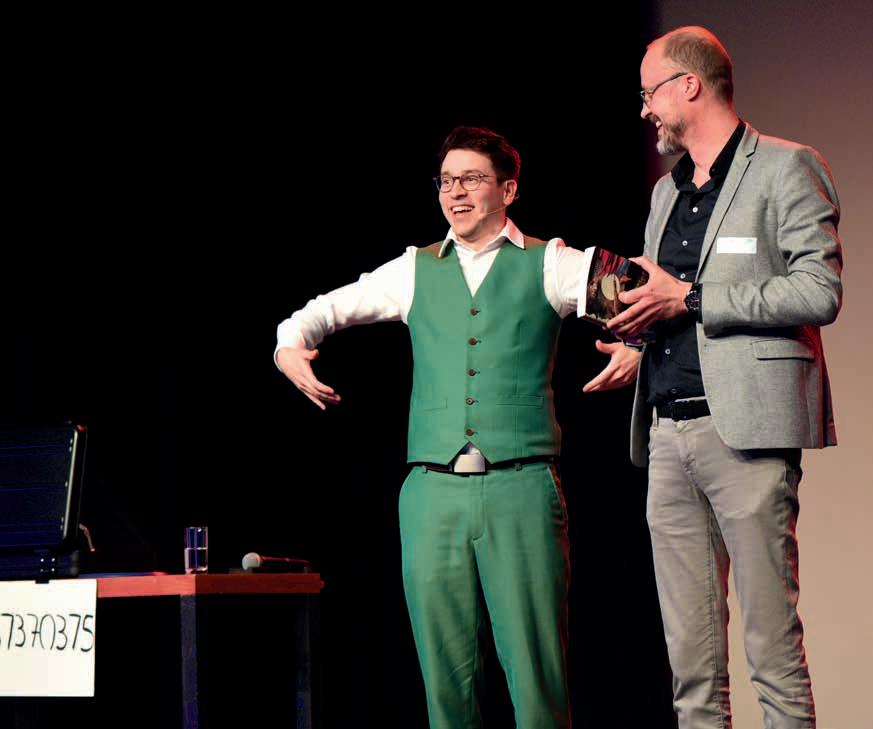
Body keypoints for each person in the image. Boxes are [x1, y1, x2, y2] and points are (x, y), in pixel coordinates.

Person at [275, 126, 592, 728]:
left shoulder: (549, 262)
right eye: (446, 181)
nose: (456, 193)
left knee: (536, 679)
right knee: (445, 683)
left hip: (520, 488)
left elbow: (637, 295)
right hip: (431, 493)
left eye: (471, 179)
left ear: (508, 189)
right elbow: (321, 311)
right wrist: (288, 346)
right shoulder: (414, 268)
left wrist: (636, 342)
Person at [585, 26, 842, 729]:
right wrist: (636, 341)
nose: (644, 109)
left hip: (747, 433)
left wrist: (692, 299)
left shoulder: (786, 167)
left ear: (688, 86)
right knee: (691, 671)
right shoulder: (664, 193)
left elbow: (818, 290)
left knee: (772, 654)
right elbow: (660, 299)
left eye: (648, 93)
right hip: (668, 435)